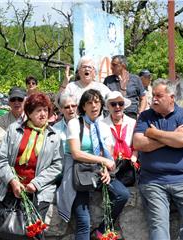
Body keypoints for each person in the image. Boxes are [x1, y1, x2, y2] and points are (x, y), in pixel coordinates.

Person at [133, 79, 183, 240]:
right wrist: (172, 137)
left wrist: (154, 134)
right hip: (153, 180)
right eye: (153, 95)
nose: (154, 99)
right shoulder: (145, 116)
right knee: (158, 226)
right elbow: (138, 143)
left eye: (159, 95)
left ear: (171, 97)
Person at [56, 89, 129, 240]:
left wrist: (106, 171)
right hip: (77, 172)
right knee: (84, 220)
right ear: (83, 106)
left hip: (97, 170)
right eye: (89, 103)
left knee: (122, 195)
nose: (94, 106)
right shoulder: (75, 124)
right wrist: (102, 161)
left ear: (102, 104)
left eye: (97, 102)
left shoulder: (103, 127)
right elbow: (76, 153)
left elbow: (107, 154)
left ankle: (101, 230)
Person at [0, 92, 63, 238]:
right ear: (29, 113)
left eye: (46, 110)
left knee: (35, 231)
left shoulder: (54, 136)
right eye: (38, 110)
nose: (43, 114)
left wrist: (36, 184)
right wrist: (12, 181)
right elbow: (0, 158)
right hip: (11, 188)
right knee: (10, 231)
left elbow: (57, 165)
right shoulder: (14, 130)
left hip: (39, 191)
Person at [102, 91, 138, 186]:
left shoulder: (132, 122)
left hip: (129, 165)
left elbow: (136, 146)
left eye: (120, 104)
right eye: (113, 104)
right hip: (110, 165)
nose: (117, 107)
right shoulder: (102, 124)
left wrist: (133, 159)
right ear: (108, 107)